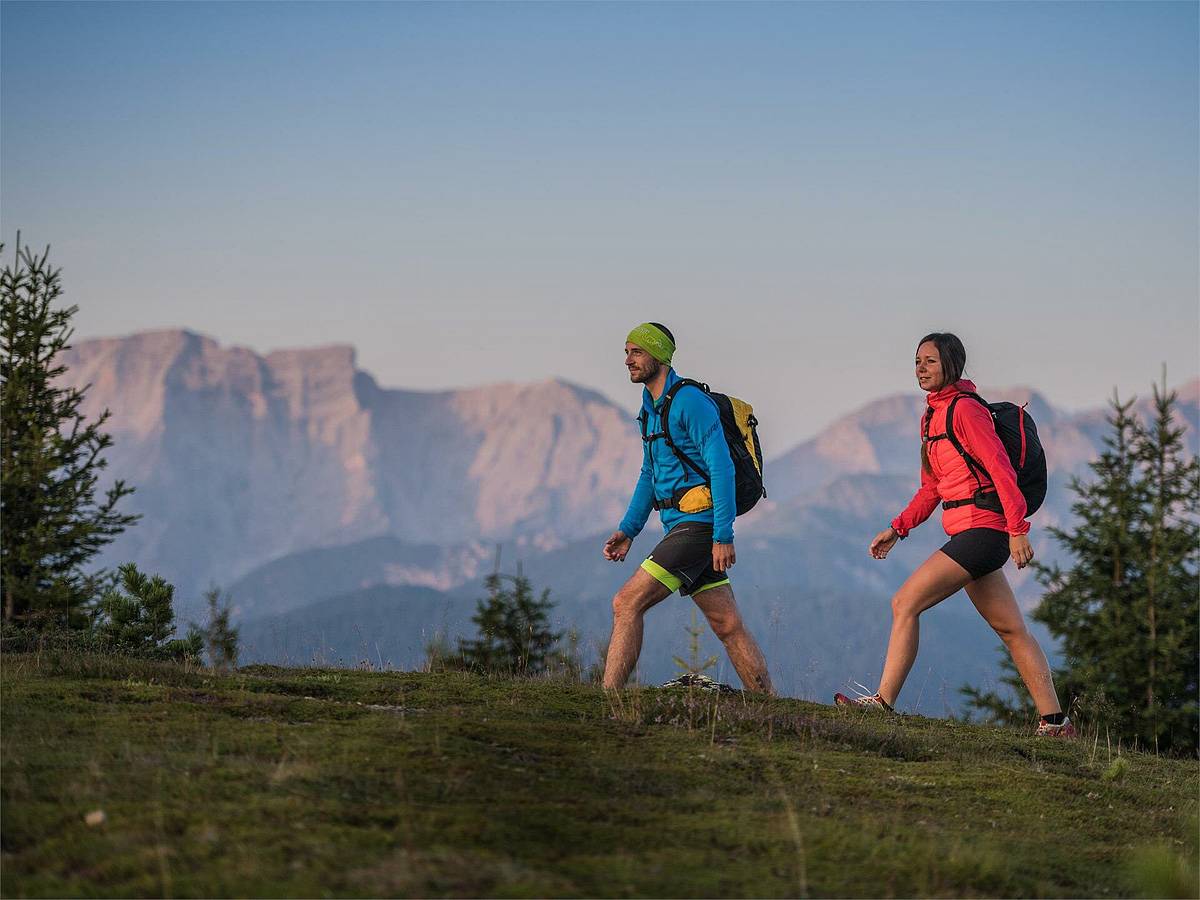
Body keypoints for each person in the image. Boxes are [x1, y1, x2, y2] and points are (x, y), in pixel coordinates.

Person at [835, 332, 1075, 738]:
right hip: (970, 532)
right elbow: (932, 488)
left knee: (905, 602)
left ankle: (882, 703)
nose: (921, 369)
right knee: (1012, 629)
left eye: (929, 361)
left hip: (985, 531)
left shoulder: (965, 411)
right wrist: (898, 529)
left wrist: (1018, 529)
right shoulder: (931, 419)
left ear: (951, 365)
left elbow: (1000, 470)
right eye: (916, 362)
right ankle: (1056, 724)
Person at [601, 323, 774, 694]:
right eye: (626, 352)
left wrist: (722, 536)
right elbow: (650, 473)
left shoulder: (690, 402)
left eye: (636, 352)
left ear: (659, 355)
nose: (628, 360)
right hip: (679, 524)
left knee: (626, 602)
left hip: (699, 526)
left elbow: (722, 466)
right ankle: (769, 705)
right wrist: (628, 529)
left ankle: (609, 701)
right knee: (727, 624)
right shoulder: (649, 410)